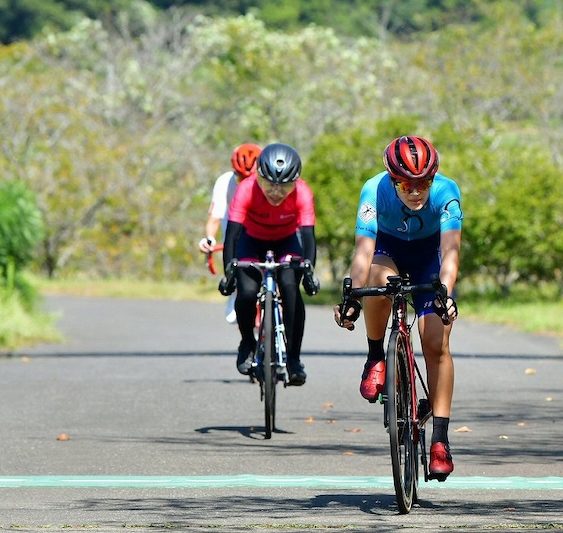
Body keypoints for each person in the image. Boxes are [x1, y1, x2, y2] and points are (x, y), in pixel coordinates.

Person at [333, 135, 462, 480]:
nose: (416, 191)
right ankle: (376, 356)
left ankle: (440, 441)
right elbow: (363, 251)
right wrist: (353, 296)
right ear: (392, 179)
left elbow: (451, 253)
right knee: (377, 280)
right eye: (406, 183)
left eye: (424, 183)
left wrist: (444, 293)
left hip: (428, 258)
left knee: (436, 342)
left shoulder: (447, 192)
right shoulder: (374, 190)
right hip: (387, 250)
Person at [218, 143, 320, 386]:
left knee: (291, 289)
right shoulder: (246, 189)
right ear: (258, 178)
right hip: (251, 241)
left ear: (295, 183)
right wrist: (229, 274)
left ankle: (294, 359)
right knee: (247, 292)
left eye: (284, 187)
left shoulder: (303, 193)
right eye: (269, 185)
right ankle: (247, 343)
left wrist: (308, 271)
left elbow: (308, 237)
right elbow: (231, 236)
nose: (276, 193)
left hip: (287, 241)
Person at [198, 143, 263, 323]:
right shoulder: (224, 183)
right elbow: (215, 217)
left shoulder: (270, 183)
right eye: (240, 178)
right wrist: (210, 238)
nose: (246, 183)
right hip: (237, 237)